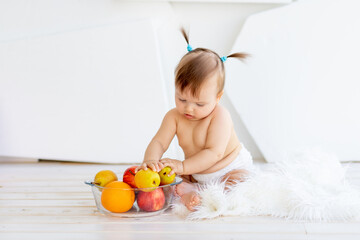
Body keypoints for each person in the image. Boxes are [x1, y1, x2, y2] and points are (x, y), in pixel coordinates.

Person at [136, 28, 254, 211]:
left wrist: (182, 166)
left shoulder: (220, 116)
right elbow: (159, 141)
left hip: (229, 169)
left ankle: (199, 190)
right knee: (171, 182)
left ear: (218, 97)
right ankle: (191, 191)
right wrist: (150, 160)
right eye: (181, 99)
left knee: (241, 183)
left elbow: (214, 153)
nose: (188, 108)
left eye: (199, 104)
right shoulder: (173, 117)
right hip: (195, 171)